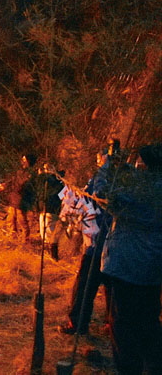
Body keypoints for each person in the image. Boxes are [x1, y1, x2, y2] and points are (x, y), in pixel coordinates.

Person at [100, 143, 162, 374]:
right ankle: (153, 366)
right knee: (148, 319)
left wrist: (107, 166)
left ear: (144, 165)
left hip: (128, 265)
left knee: (124, 325)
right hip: (153, 267)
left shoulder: (138, 191)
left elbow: (105, 195)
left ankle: (130, 369)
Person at [58, 147, 113, 335]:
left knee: (85, 285)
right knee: (112, 287)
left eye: (100, 158)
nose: (98, 161)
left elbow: (90, 199)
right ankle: (112, 325)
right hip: (115, 244)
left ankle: (78, 323)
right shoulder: (129, 178)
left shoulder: (103, 177)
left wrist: (68, 194)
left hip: (98, 241)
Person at [3, 153, 36, 242]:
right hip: (14, 198)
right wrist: (4, 185)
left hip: (21, 199)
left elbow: (22, 185)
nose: (23, 162)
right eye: (23, 160)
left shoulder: (31, 174)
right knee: (11, 219)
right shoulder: (19, 171)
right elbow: (13, 181)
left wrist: (14, 187)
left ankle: (25, 240)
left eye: (25, 160)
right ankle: (12, 238)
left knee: (21, 220)